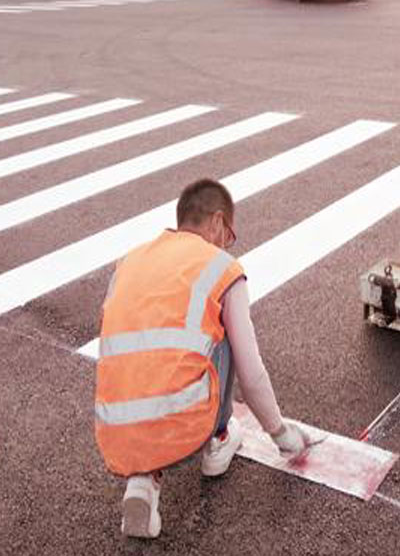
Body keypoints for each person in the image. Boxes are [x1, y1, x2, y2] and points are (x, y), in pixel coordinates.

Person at [95, 178, 314, 539]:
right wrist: (281, 432)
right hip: (185, 423)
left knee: (159, 342)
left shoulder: (130, 261)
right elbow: (250, 371)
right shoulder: (220, 267)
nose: (228, 244)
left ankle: (143, 481)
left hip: (113, 427)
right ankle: (220, 439)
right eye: (229, 234)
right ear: (216, 223)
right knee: (222, 331)